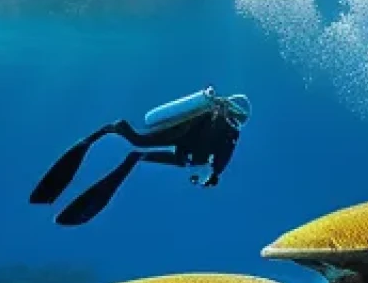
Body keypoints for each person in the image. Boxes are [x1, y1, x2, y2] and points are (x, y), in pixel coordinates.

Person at [29, 87, 250, 226]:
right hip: (183, 154)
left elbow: (181, 134)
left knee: (138, 149)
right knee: (138, 148)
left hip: (181, 149)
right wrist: (210, 178)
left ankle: (112, 134)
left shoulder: (211, 117)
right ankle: (116, 137)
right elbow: (219, 162)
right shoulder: (229, 134)